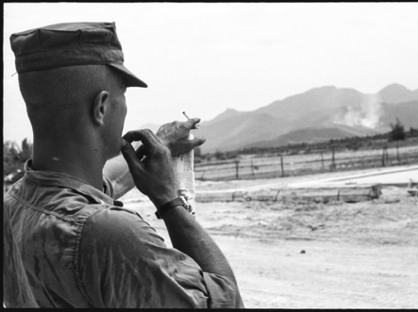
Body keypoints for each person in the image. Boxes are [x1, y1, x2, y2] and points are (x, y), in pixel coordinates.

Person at [3, 22, 244, 308]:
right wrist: (169, 202)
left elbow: (100, 185)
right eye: (123, 96)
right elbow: (228, 300)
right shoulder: (113, 236)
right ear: (101, 107)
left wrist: (162, 143)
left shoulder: (14, 204)